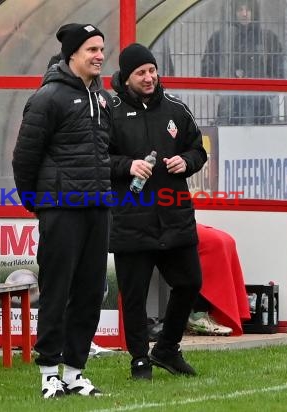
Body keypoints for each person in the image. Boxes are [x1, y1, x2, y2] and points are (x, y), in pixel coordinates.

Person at [12, 23, 111, 398]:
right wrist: (37, 203)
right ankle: (49, 373)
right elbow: (24, 157)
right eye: (92, 50)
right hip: (61, 210)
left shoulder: (102, 100)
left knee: (89, 292)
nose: (100, 55)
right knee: (57, 290)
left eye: (102, 49)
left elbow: (106, 154)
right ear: (73, 55)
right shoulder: (47, 98)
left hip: (97, 209)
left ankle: (74, 372)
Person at [109, 43, 207, 380]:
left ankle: (167, 347)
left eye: (152, 70)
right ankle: (139, 360)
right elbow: (96, 157)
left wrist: (188, 161)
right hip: (131, 218)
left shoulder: (176, 109)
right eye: (141, 73)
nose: (149, 77)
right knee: (134, 294)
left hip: (174, 216)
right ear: (126, 77)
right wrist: (127, 166)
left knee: (191, 281)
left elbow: (198, 148)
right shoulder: (111, 110)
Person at [200, 0, 284, 124]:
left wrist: (268, 91)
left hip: (260, 109)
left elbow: (279, 70)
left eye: (248, 10)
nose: (244, 14)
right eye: (240, 10)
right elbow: (207, 68)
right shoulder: (219, 39)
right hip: (229, 108)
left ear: (254, 12)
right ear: (233, 12)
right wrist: (220, 89)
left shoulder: (268, 38)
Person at [188, 224, 251, 336]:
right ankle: (197, 314)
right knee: (215, 242)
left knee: (226, 240)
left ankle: (203, 312)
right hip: (165, 224)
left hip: (178, 219)